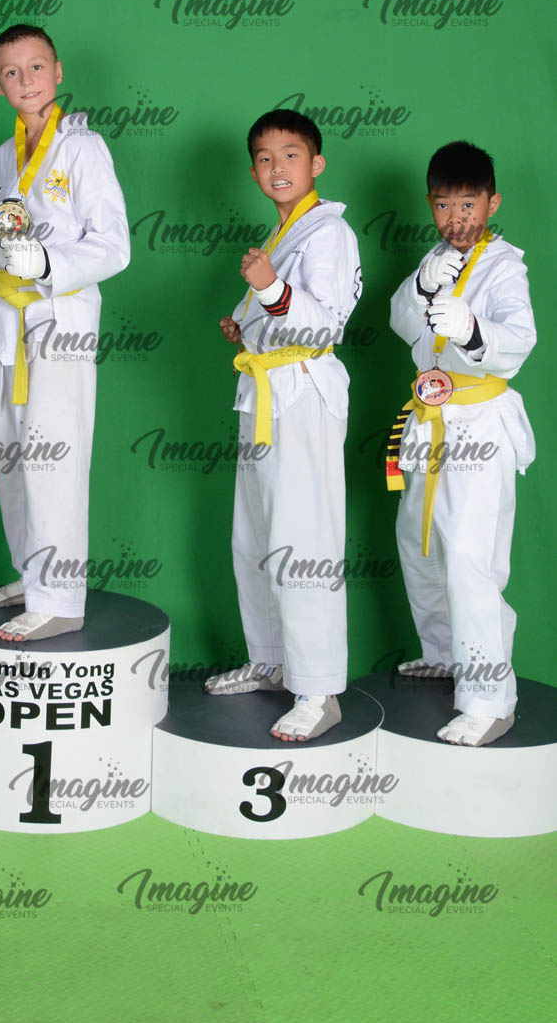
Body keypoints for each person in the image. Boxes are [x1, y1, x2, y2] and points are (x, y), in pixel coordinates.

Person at [0, 25, 130, 641]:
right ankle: (33, 575)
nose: (25, 80)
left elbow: (114, 246)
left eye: (35, 67)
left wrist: (47, 262)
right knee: (12, 456)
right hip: (8, 322)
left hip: (60, 322)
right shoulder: (4, 157)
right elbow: (1, 247)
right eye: (11, 72)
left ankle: (62, 598)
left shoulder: (83, 149)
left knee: (54, 460)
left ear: (57, 71)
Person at [205, 109, 362, 742]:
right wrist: (247, 324)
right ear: (252, 172)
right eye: (265, 158)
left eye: (290, 155)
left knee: (304, 541)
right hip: (263, 392)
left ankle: (319, 689)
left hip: (302, 395)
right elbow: (277, 309)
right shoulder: (282, 232)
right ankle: (272, 660)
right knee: (254, 538)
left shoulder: (330, 232)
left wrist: (270, 292)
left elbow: (325, 324)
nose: (277, 167)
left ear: (316, 163)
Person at [387, 140, 535, 745]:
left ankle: (490, 698)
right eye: (444, 205)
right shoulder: (435, 259)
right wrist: (420, 290)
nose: (456, 217)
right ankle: (445, 654)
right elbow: (401, 324)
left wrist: (474, 330)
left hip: (478, 422)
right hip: (430, 421)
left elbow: (520, 338)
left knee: (471, 559)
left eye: (468, 203)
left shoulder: (505, 267)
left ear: (491, 203)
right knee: (420, 545)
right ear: (431, 205)